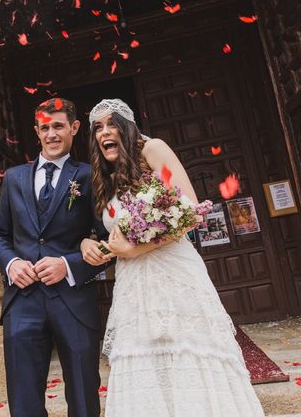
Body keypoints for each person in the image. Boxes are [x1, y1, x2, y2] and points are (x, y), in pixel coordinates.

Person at [81, 99, 265, 416]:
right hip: (133, 284)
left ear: (127, 127)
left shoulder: (153, 149)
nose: (104, 132)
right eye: (97, 127)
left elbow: (190, 212)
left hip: (173, 272)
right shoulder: (109, 178)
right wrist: (97, 244)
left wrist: (134, 249)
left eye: (111, 124)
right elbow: (119, 233)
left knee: (186, 351)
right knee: (146, 359)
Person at [0, 98, 111, 417]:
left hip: (73, 299)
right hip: (22, 301)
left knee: (84, 394)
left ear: (73, 128)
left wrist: (68, 265)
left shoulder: (89, 176)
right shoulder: (15, 178)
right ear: (36, 131)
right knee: (24, 397)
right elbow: (0, 236)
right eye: (44, 127)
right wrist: (12, 263)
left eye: (58, 126)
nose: (51, 134)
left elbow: (110, 240)